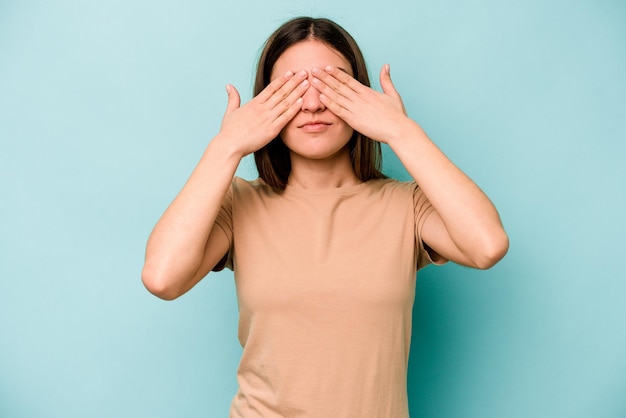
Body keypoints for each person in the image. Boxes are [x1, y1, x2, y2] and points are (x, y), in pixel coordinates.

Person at [142, 16, 509, 418]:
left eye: (331, 86)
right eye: (293, 88)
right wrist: (226, 146)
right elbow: (162, 278)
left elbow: (487, 246)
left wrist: (402, 132)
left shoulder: (407, 206)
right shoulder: (238, 205)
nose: (314, 104)